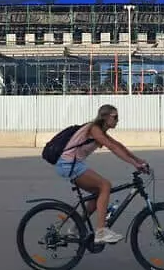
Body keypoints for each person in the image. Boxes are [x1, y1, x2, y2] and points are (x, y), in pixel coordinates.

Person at [55, 104, 149, 244]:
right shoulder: (94, 129)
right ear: (105, 117)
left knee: (98, 193)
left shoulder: (101, 132)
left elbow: (118, 145)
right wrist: (134, 164)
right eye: (115, 117)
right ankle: (101, 232)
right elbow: (112, 148)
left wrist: (138, 160)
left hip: (74, 164)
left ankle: (76, 227)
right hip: (68, 164)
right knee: (105, 185)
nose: (118, 120)